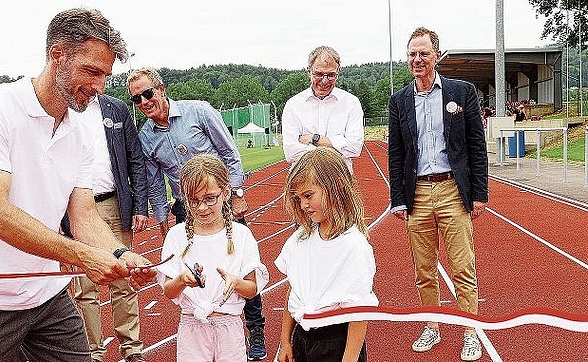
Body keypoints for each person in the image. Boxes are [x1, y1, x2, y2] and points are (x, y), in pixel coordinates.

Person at [0, 8, 155, 362]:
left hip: (46, 296)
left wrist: (120, 254)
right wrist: (83, 257)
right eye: (91, 71)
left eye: (105, 76)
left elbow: (84, 216)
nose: (99, 87)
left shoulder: (83, 127)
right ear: (57, 55)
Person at [128, 67, 269, 360]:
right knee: (191, 268)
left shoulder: (199, 111)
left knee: (239, 263)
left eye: (147, 93)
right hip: (185, 204)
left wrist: (238, 193)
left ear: (161, 89)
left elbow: (228, 151)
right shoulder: (146, 137)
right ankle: (198, 320)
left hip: (221, 198)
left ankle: (255, 329)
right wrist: (162, 220)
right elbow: (154, 181)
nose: (144, 102)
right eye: (137, 99)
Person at [388, 27, 488, 362]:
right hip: (417, 193)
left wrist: (479, 194)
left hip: (452, 189)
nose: (417, 59)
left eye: (423, 53)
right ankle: (431, 325)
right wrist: (398, 198)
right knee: (424, 269)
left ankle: (470, 331)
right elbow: (397, 153)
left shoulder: (462, 92)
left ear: (436, 55)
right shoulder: (399, 100)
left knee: (462, 266)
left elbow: (476, 144)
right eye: (412, 54)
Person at [58, 93, 148, 362]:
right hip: (75, 207)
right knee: (85, 288)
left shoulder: (117, 109)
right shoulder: (60, 109)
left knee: (124, 280)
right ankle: (93, 352)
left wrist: (140, 206)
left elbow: (136, 159)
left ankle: (131, 349)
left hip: (114, 202)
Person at [155, 154, 269, 361]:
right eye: (194, 200)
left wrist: (235, 283)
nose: (201, 207)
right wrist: (181, 280)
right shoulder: (176, 236)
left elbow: (251, 290)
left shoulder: (240, 235)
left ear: (225, 193)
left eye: (209, 198)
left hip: (229, 327)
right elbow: (169, 292)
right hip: (191, 327)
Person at [275, 147, 377, 362]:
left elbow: (359, 311)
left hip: (336, 344)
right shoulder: (300, 239)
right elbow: (294, 290)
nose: (303, 205)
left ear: (337, 185)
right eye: (298, 198)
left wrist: (349, 359)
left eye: (308, 195)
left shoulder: (354, 245)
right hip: (302, 338)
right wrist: (285, 341)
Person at [282, 45, 364, 173]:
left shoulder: (351, 103)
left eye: (331, 75)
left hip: (340, 181)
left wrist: (314, 139)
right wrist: (336, 145)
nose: (324, 81)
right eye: (319, 74)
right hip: (304, 183)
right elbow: (291, 152)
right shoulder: (293, 105)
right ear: (309, 71)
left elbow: (355, 148)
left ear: (338, 72)